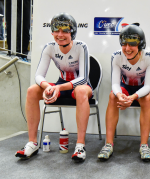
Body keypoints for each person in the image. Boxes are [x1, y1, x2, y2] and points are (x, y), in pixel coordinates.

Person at [15, 13, 92, 162]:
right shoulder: (49, 47)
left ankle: (80, 145)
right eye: (56, 30)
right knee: (32, 90)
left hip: (81, 86)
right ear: (52, 32)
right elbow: (38, 76)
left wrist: (58, 88)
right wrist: (47, 87)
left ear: (73, 32)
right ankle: (32, 143)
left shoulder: (81, 46)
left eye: (65, 31)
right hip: (60, 85)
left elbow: (83, 78)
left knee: (81, 90)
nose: (60, 35)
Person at [98, 24, 150, 162]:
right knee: (112, 96)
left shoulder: (149, 57)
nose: (127, 48)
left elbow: (148, 86)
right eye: (124, 44)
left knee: (147, 99)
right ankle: (108, 144)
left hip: (142, 89)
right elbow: (115, 84)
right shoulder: (116, 56)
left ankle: (144, 145)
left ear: (140, 44)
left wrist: (133, 97)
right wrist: (120, 95)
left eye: (132, 44)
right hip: (124, 88)